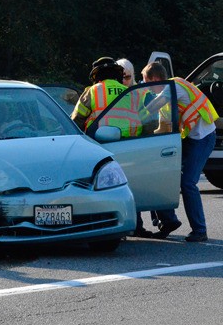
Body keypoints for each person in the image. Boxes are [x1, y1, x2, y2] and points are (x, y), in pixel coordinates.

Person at [142, 62, 218, 242]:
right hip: (192, 138)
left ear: (155, 79)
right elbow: (161, 124)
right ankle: (168, 221)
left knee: (188, 183)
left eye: (147, 83)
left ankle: (200, 230)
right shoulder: (167, 93)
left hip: (204, 137)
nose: (147, 88)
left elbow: (150, 109)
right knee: (160, 175)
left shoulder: (173, 86)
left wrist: (135, 107)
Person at [116, 58, 155, 238]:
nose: (124, 80)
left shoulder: (140, 93)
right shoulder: (110, 92)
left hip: (135, 144)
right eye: (121, 76)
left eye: (128, 77)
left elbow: (148, 118)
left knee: (135, 185)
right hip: (116, 144)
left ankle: (137, 225)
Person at [71, 57, 130, 132]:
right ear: (118, 74)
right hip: (133, 139)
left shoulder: (92, 91)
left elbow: (77, 119)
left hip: (99, 140)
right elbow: (146, 122)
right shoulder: (131, 92)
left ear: (96, 76)